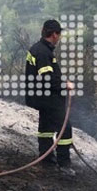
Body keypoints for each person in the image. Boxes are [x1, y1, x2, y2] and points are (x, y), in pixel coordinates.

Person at [24, 19, 75, 175]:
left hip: (39, 96)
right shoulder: (43, 52)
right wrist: (64, 85)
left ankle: (46, 159)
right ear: (53, 34)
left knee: (46, 127)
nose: (59, 37)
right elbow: (47, 78)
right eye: (58, 34)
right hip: (47, 97)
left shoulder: (39, 48)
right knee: (64, 129)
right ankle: (64, 164)